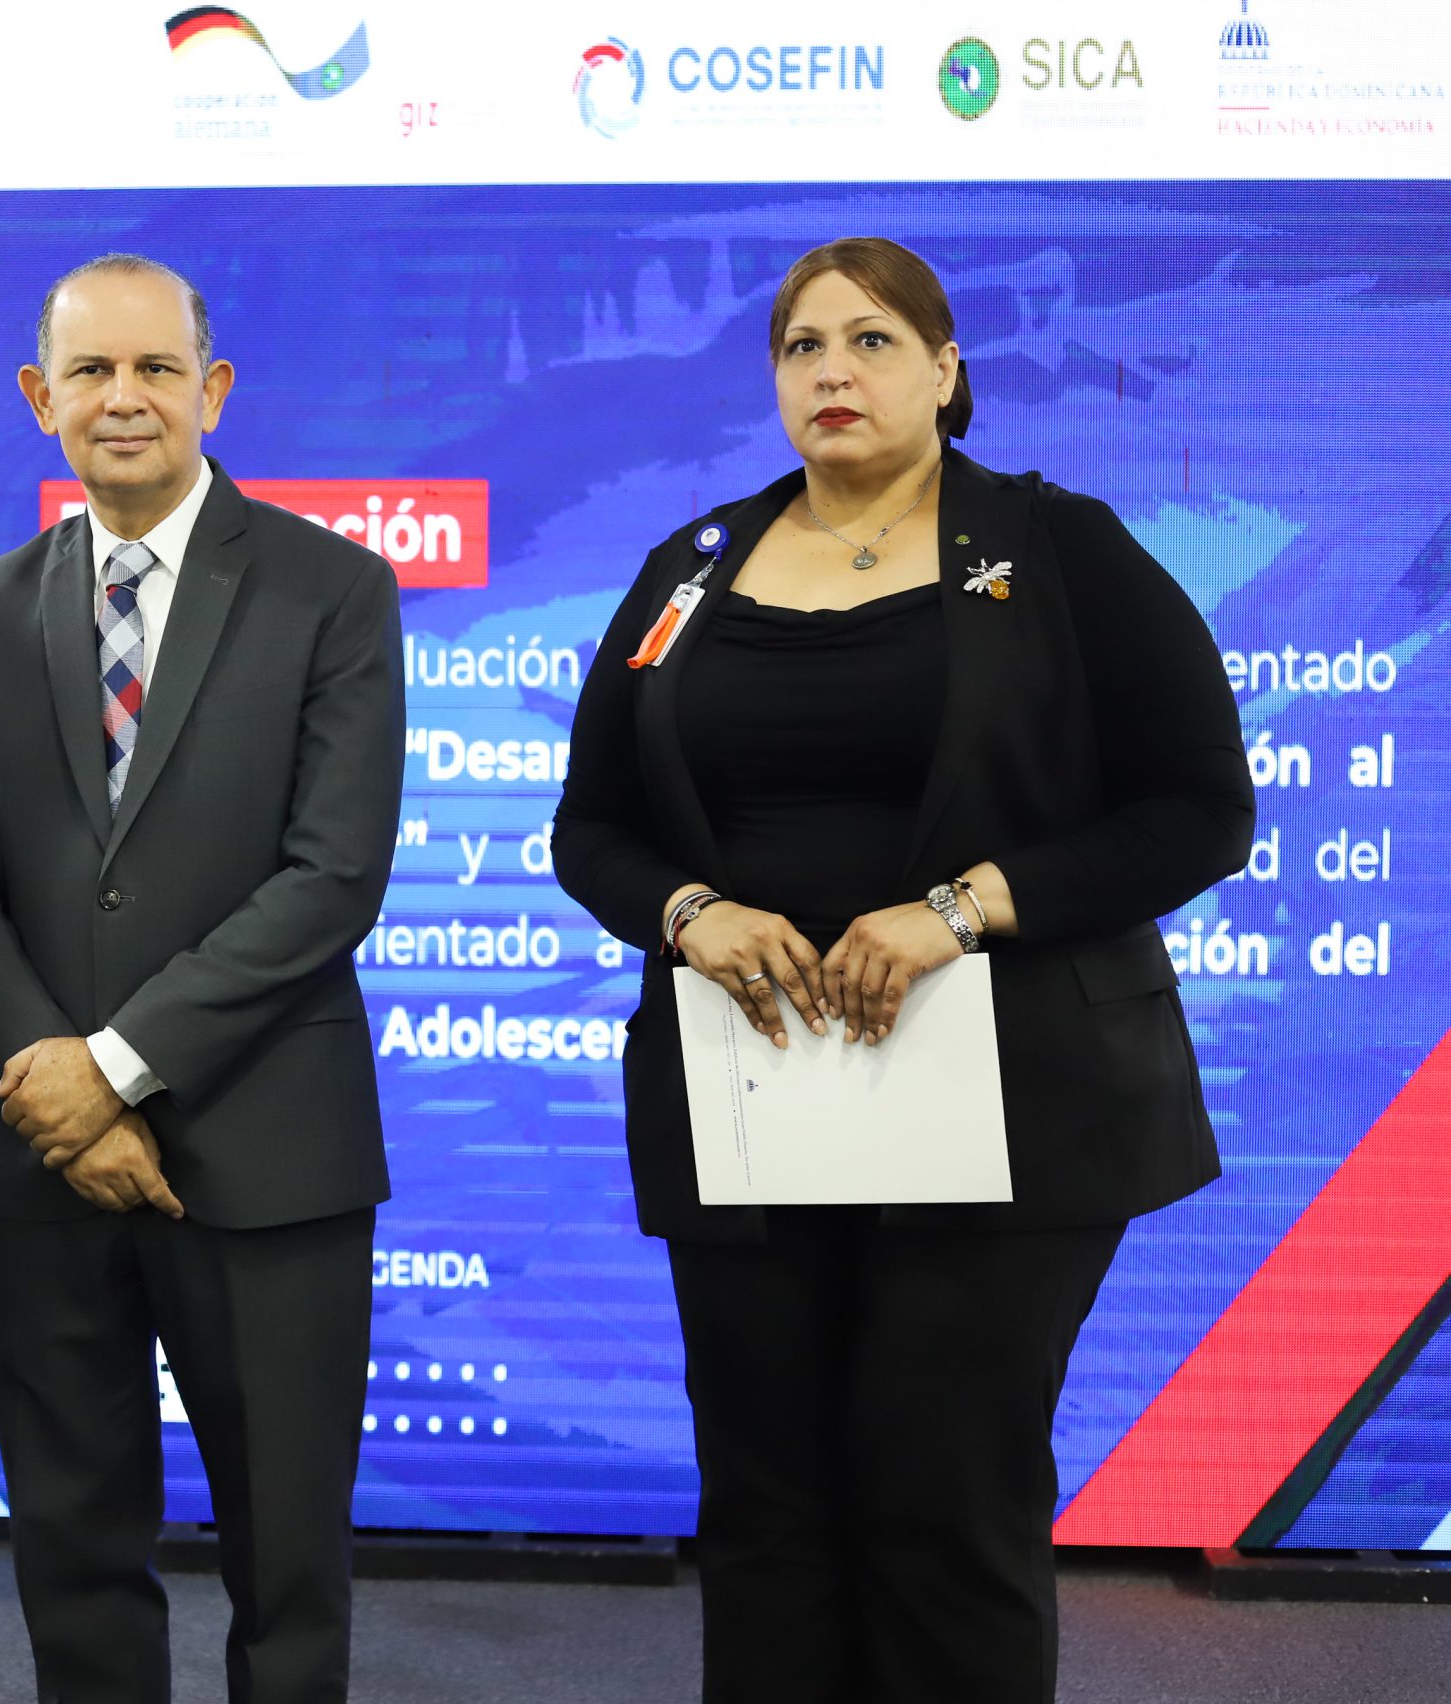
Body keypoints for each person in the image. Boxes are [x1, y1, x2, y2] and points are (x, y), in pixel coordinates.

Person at [552, 238, 1251, 1704]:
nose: (834, 372)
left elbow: (1200, 809)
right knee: (767, 1508)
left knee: (946, 1499)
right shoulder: (691, 567)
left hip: (1011, 1106)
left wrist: (965, 908)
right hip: (752, 1102)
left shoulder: (1057, 550)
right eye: (803, 347)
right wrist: (688, 911)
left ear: (945, 370)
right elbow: (591, 828)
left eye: (872, 341)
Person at [0, 253, 405, 1704]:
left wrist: (112, 1071)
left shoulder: (332, 587)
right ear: (39, 397)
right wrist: (57, 1093)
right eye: (90, 371)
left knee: (288, 1558)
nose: (122, 398)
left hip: (268, 1153)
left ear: (214, 389)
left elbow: (333, 878)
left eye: (154, 368)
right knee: (72, 1548)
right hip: (44, 1162)